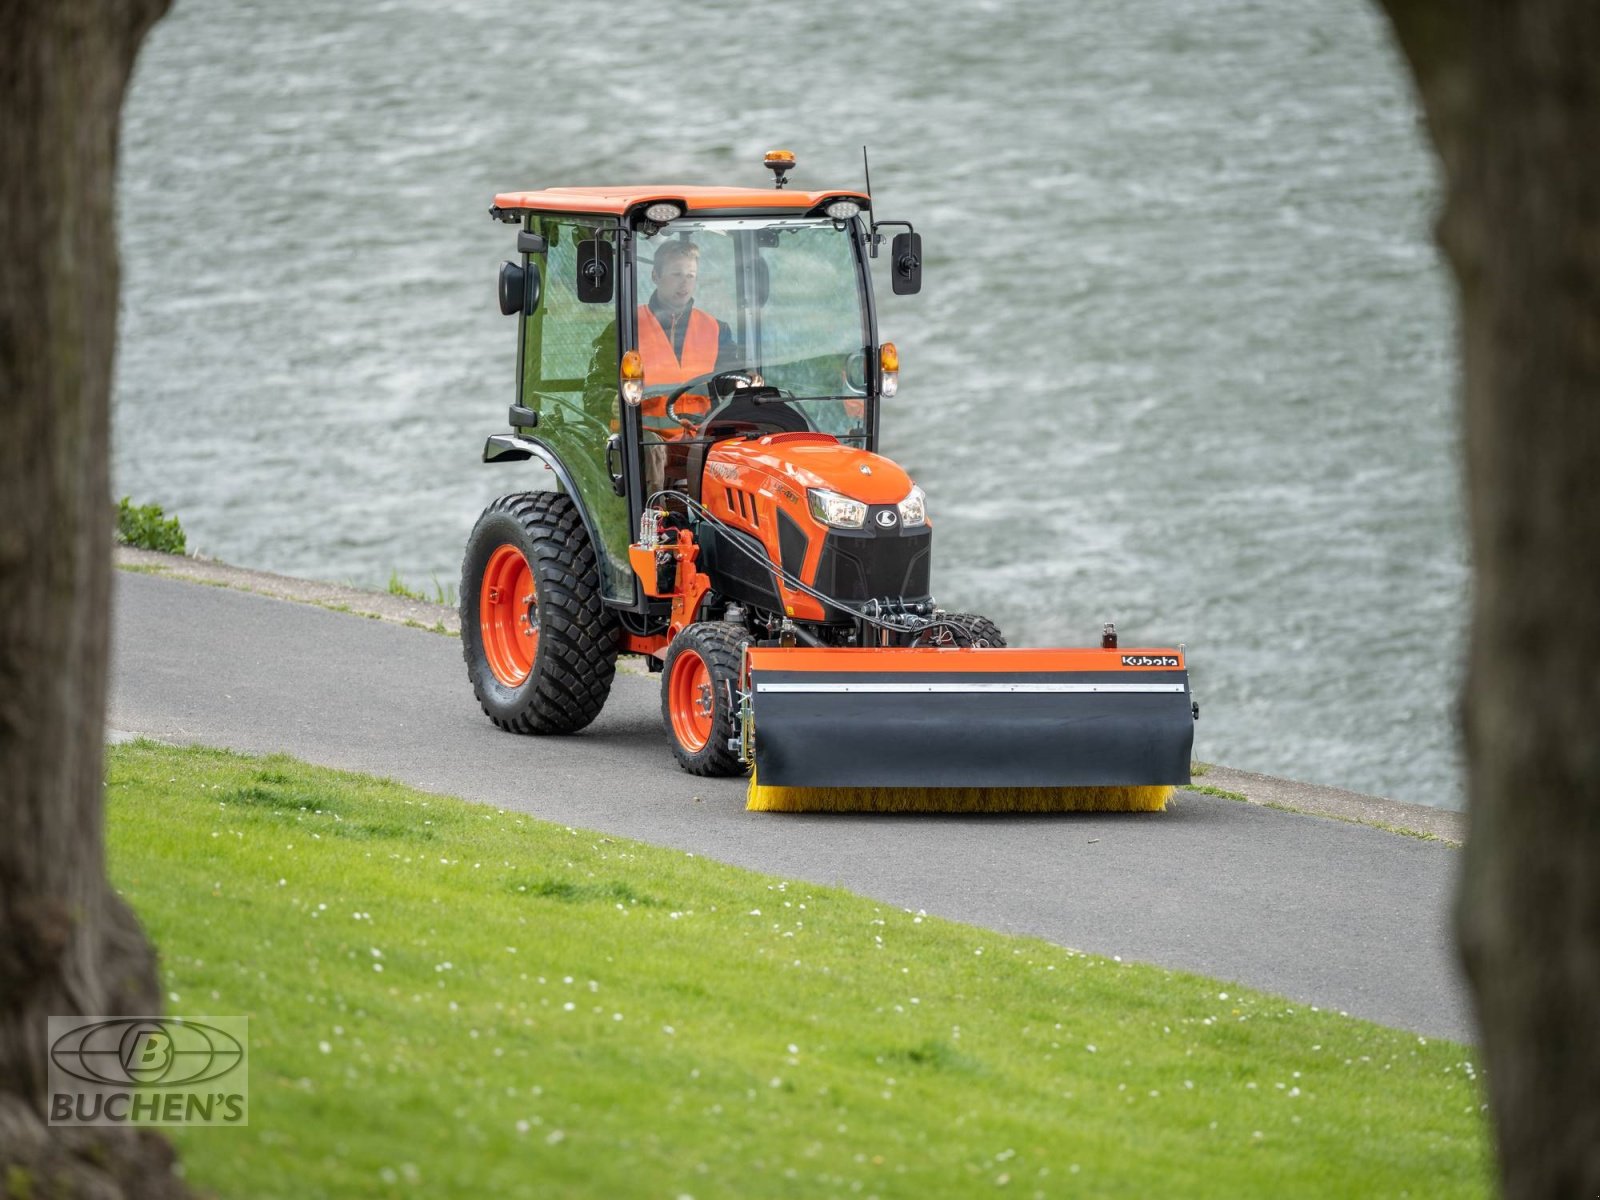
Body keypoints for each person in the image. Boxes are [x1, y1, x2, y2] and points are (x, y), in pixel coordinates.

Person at [637, 240, 739, 497]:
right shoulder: (627, 327)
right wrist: (609, 399)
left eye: (690, 276)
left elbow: (731, 385)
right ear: (655, 276)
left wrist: (748, 383)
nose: (684, 283)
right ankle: (653, 522)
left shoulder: (717, 330)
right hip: (649, 437)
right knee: (652, 449)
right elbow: (597, 388)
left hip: (698, 434)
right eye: (676, 274)